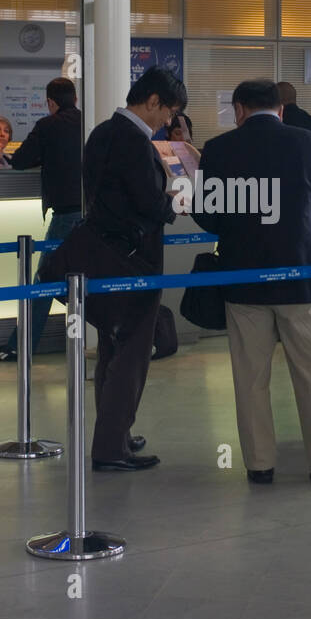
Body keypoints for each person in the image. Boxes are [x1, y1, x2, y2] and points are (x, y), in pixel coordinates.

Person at [193, 80, 311, 485]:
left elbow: (205, 214)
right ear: (281, 109)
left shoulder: (218, 149)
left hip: (243, 278)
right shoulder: (310, 144)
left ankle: (259, 464)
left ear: (239, 109)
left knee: (250, 377)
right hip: (300, 276)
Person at [83, 66, 186, 470]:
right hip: (135, 260)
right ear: (153, 100)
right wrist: (174, 199)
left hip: (104, 257)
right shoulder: (135, 141)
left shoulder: (101, 133)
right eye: (168, 113)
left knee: (111, 347)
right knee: (132, 355)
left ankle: (115, 434)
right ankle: (111, 448)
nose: (168, 122)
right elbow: (147, 203)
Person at [0, 80, 82, 363]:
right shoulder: (90, 122)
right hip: (92, 215)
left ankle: (20, 346)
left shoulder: (48, 126)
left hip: (65, 216)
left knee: (44, 280)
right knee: (88, 277)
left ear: (50, 102)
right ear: (75, 98)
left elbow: (22, 160)